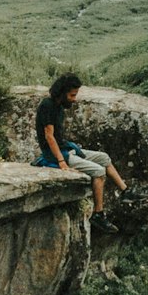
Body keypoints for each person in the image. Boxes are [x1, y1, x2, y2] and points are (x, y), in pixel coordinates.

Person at [35, 74, 131, 233]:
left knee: (104, 158)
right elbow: (49, 136)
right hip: (54, 154)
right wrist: (61, 161)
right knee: (99, 172)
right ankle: (98, 214)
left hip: (64, 148)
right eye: (72, 95)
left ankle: (126, 191)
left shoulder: (58, 107)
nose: (74, 99)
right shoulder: (47, 105)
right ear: (62, 92)